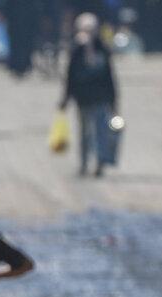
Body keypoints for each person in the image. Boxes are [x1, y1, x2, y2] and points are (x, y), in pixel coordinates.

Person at [59, 13, 118, 178]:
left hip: (100, 99)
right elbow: (70, 76)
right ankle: (84, 163)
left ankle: (100, 162)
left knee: (100, 132)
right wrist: (66, 98)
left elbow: (109, 76)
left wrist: (113, 100)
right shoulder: (76, 50)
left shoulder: (102, 49)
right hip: (83, 100)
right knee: (85, 133)